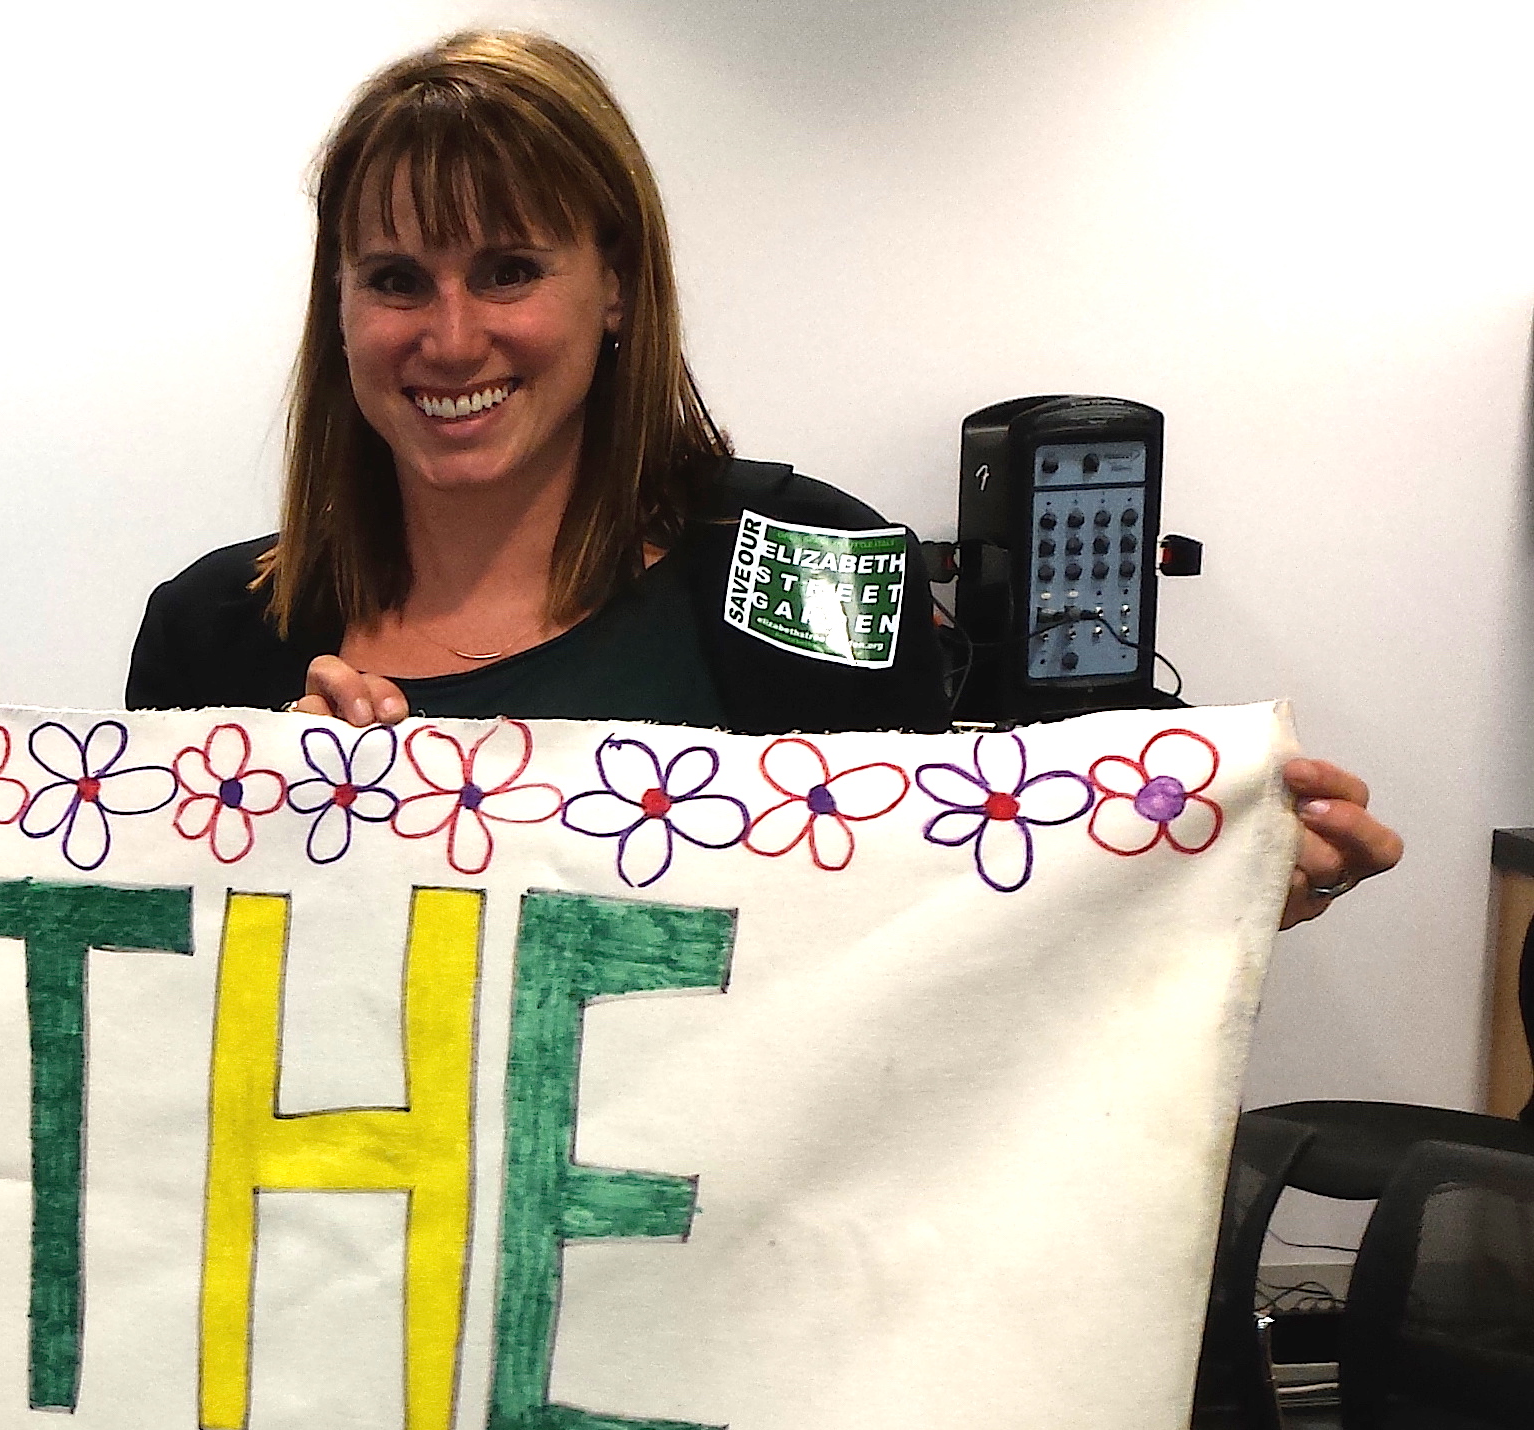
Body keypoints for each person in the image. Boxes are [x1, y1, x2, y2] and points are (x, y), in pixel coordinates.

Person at [124, 31, 1396, 928]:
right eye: (395, 278)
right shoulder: (212, 638)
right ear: (336, 308)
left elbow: (932, 924)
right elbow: (143, 1007)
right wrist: (257, 826)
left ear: (612, 284)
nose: (450, 338)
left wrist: (1185, 884)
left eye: (509, 269)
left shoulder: (804, 564)